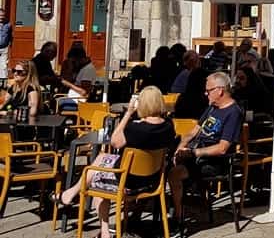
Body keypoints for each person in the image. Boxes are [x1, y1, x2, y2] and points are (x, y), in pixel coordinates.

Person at [60, 87, 176, 238]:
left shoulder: (135, 128)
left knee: (96, 182)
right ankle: (70, 193)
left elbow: (115, 142)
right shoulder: (168, 126)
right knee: (102, 158)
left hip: (128, 183)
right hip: (153, 181)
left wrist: (128, 113)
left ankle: (105, 232)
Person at [168, 72, 243, 222]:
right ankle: (167, 208)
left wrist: (194, 153)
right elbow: (193, 132)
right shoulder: (212, 108)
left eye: (208, 90)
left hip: (214, 162)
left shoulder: (233, 113)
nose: (205, 93)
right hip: (195, 154)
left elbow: (222, 148)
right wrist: (180, 149)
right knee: (163, 164)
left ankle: (178, 215)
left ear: (220, 90)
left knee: (173, 174)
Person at [0, 8, 12, 80]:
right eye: (0, 15)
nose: (1, 17)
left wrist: (10, 44)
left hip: (4, 48)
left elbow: (10, 35)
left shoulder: (8, 25)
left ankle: (3, 81)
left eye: (3, 15)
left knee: (4, 65)